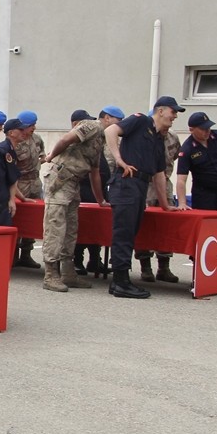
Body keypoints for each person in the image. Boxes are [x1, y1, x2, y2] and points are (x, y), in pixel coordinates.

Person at [105, 96, 184, 299]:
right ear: (160, 111)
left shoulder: (159, 139)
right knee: (123, 234)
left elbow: (159, 174)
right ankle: (121, 282)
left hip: (140, 186)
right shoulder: (141, 120)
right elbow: (110, 131)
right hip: (126, 183)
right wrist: (119, 159)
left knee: (130, 233)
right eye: (173, 112)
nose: (175, 116)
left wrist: (165, 205)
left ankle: (119, 282)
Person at [40, 109, 107, 292]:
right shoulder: (92, 125)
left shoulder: (99, 138)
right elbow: (65, 140)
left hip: (73, 182)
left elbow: (95, 171)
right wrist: (50, 157)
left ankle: (68, 273)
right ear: (107, 118)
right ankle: (50, 275)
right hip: (61, 179)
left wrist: (100, 200)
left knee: (70, 228)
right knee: (55, 226)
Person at [73, 106, 125, 275]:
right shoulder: (77, 140)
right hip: (83, 189)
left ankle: (95, 260)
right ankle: (77, 260)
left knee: (97, 226)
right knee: (82, 227)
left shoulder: (101, 137)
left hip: (100, 189)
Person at [134, 119, 183, 282]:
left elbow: (174, 156)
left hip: (165, 184)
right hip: (146, 184)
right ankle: (145, 267)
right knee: (144, 225)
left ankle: (164, 267)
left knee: (166, 226)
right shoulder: (142, 136)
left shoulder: (173, 137)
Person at [176, 112, 217, 212]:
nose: (207, 131)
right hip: (205, 196)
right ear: (191, 130)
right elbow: (181, 179)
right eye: (203, 129)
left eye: (208, 127)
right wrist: (182, 203)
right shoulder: (187, 149)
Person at [9, 110, 45, 268]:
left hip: (35, 182)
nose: (33, 128)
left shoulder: (37, 139)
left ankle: (26, 254)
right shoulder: (15, 142)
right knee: (18, 218)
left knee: (33, 219)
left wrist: (43, 159)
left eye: (34, 125)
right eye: (31, 125)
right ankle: (13, 255)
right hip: (20, 183)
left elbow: (41, 155)